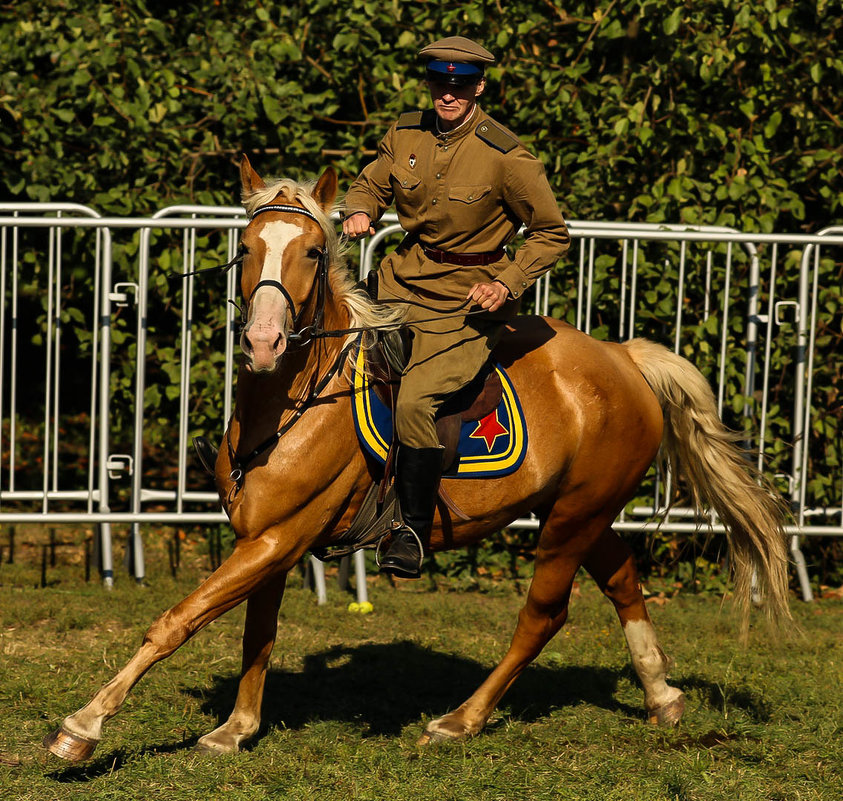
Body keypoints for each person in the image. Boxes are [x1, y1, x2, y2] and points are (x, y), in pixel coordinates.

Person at [343, 35, 570, 579]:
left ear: (479, 87)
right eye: (441, 83)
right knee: (319, 353)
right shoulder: (405, 133)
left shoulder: (507, 157)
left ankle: (413, 532)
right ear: (429, 84)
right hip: (397, 286)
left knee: (416, 400)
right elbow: (369, 183)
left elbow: (552, 234)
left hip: (464, 305)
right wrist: (359, 210)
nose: (449, 94)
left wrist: (508, 280)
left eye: (461, 85)